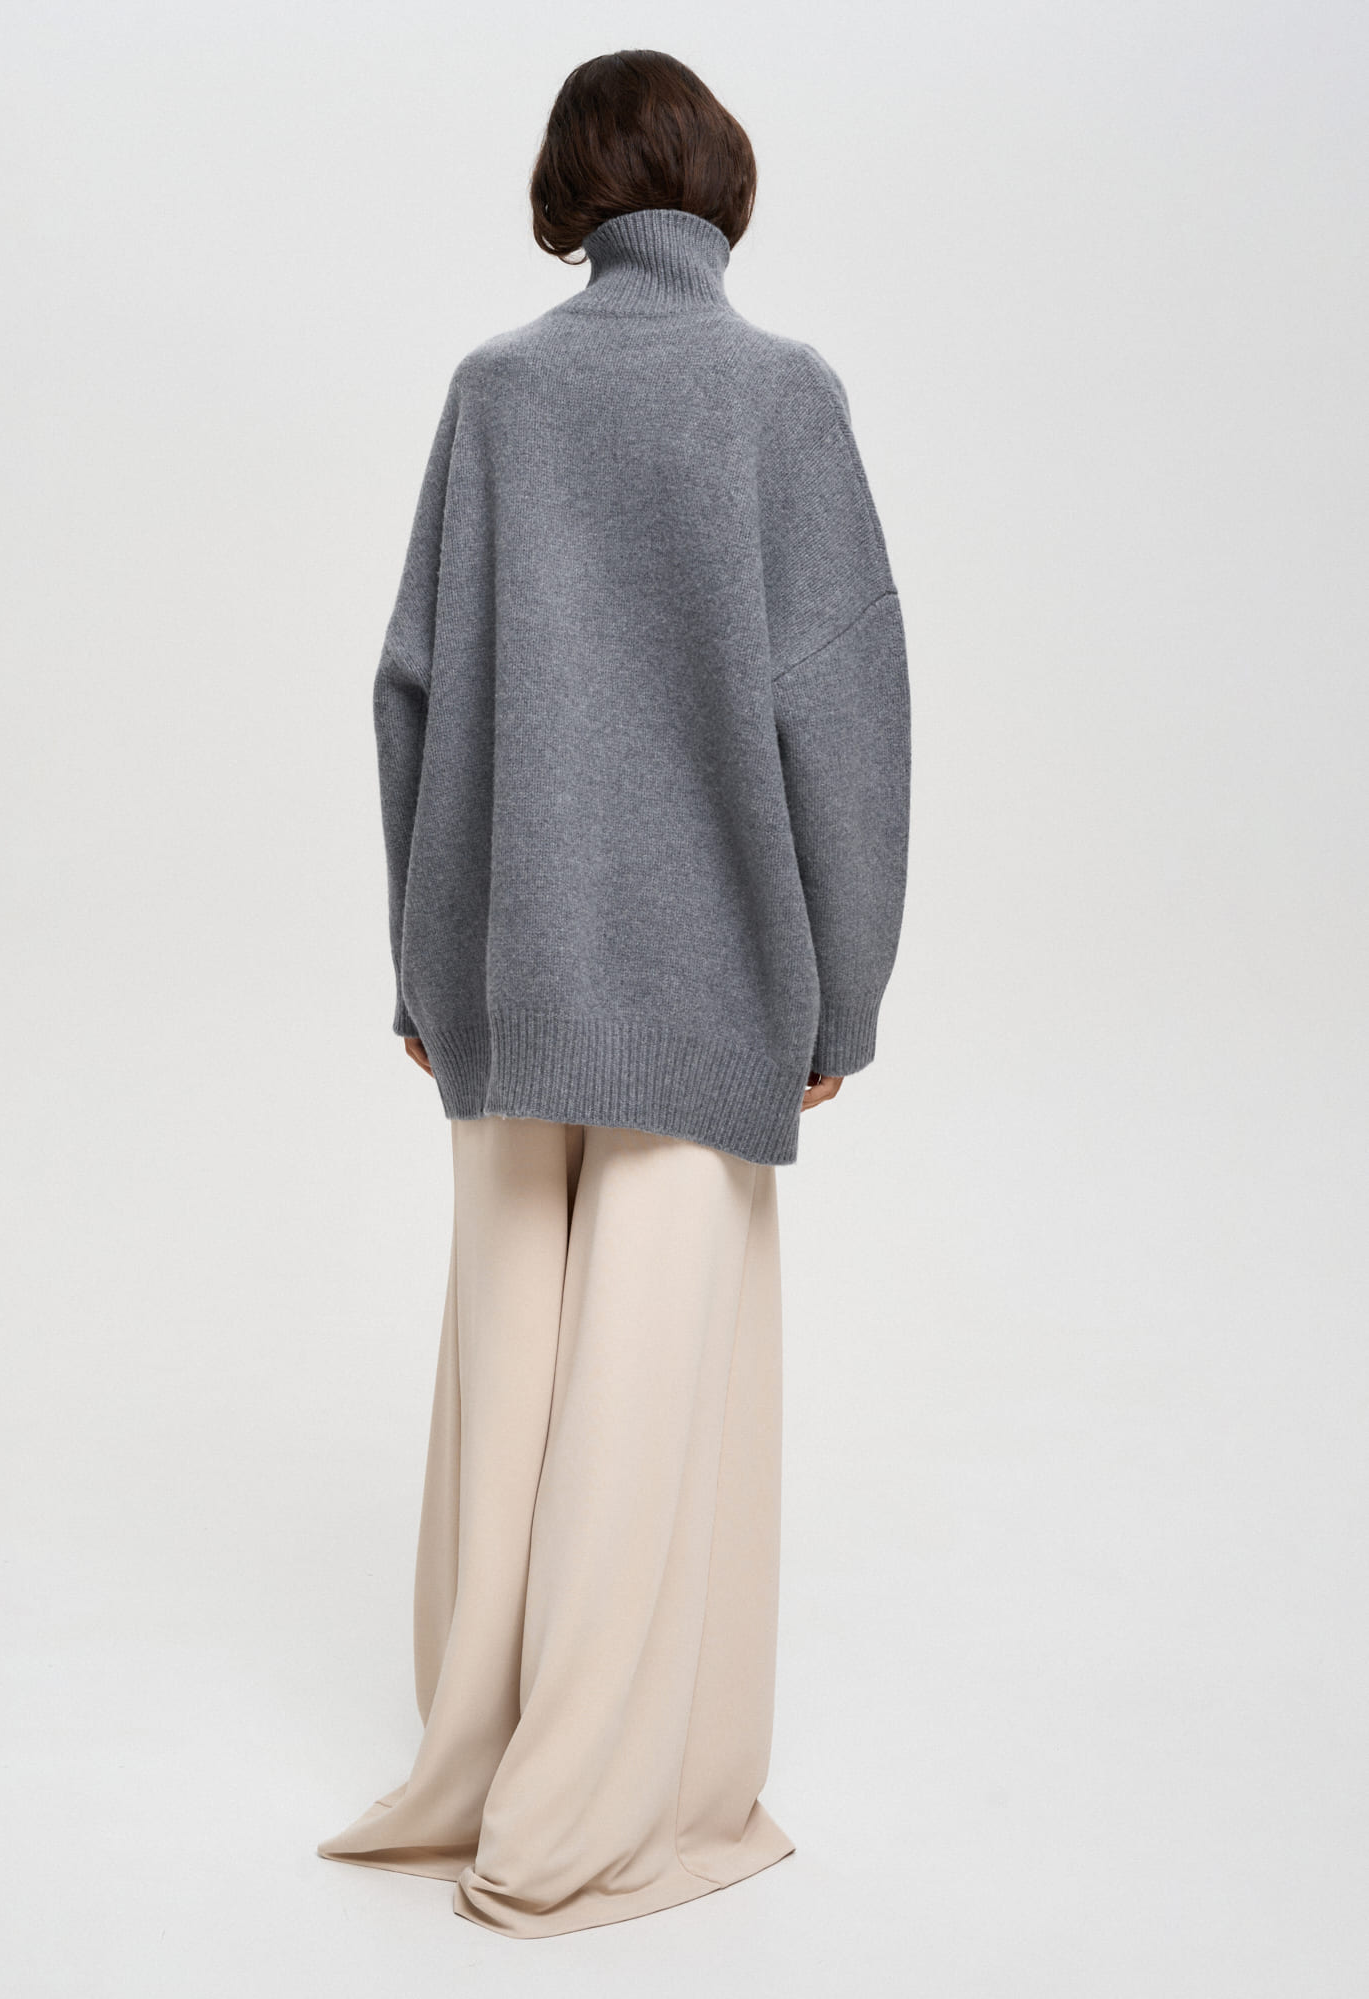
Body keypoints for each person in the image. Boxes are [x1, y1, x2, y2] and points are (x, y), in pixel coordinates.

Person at [318, 48, 911, 1938]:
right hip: (708, 982)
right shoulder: (781, 398)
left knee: (510, 1393)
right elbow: (846, 716)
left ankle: (476, 1766)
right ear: (719, 184)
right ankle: (576, 1826)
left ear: (567, 194)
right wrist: (844, 997)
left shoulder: (496, 393)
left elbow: (410, 690)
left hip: (503, 975)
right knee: (648, 1411)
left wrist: (426, 969)